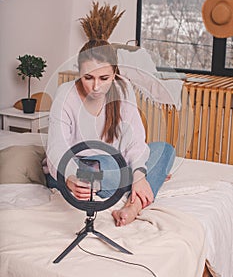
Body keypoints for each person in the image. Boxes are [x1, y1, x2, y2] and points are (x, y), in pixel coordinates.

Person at [46, 40, 175, 227]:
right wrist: (71, 178)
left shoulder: (123, 89)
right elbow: (56, 149)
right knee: (110, 164)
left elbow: (136, 141)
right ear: (79, 72)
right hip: (75, 169)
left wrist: (138, 175)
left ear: (114, 74)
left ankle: (133, 206)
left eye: (104, 78)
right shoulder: (65, 94)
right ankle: (151, 178)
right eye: (88, 78)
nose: (96, 86)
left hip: (114, 164)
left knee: (165, 150)